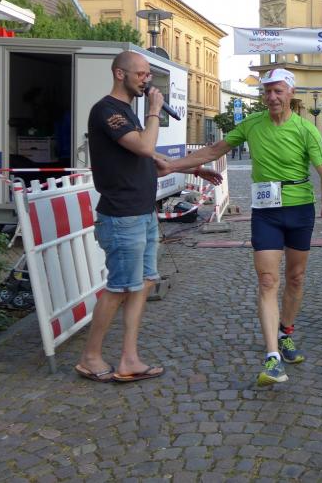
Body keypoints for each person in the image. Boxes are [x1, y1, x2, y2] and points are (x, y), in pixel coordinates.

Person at [155, 68, 322, 387]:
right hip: (266, 212)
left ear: (290, 94)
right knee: (268, 280)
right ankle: (272, 356)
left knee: (296, 277)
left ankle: (286, 332)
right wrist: (172, 165)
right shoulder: (252, 124)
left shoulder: (305, 129)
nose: (272, 97)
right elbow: (214, 150)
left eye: (278, 91)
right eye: (267, 91)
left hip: (299, 210)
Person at [76, 51, 220, 383]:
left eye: (148, 75)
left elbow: (144, 156)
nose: (147, 80)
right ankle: (90, 357)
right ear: (119, 74)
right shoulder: (107, 110)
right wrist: (155, 110)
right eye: (140, 74)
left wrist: (192, 168)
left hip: (142, 212)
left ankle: (129, 358)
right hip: (121, 215)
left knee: (142, 284)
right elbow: (143, 146)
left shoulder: (127, 111)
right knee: (119, 287)